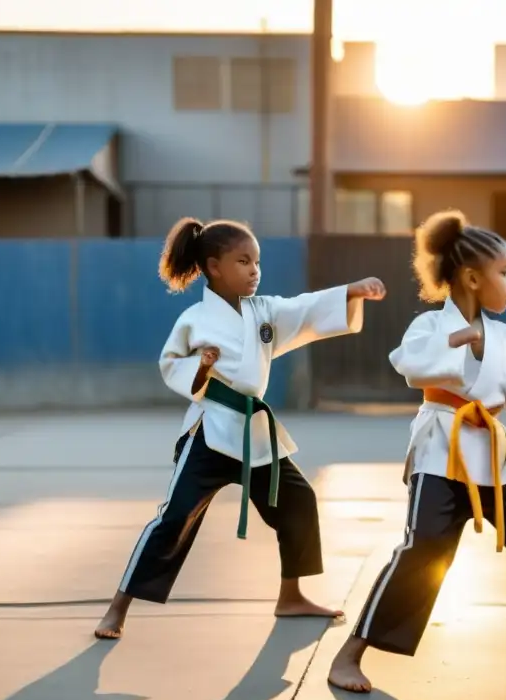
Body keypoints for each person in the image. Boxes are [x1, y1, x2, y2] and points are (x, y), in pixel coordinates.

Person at [94, 217, 386, 640]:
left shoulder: (263, 311)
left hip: (254, 433)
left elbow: (304, 308)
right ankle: (117, 608)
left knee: (299, 500)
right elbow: (171, 364)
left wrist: (352, 290)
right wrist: (203, 365)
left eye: (257, 262)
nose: (255, 270)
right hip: (210, 432)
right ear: (214, 267)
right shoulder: (195, 320)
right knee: (174, 519)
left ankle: (291, 596)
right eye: (243, 261)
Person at [328, 209, 506, 693]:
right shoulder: (430, 326)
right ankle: (349, 654)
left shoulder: (505, 335)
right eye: (505, 273)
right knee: (424, 550)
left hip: (493, 459)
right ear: (472, 277)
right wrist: (461, 339)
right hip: (441, 453)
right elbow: (410, 365)